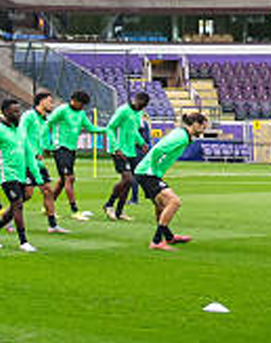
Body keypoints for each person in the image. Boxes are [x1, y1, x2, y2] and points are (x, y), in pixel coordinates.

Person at [134, 112, 208, 251]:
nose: (204, 130)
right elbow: (159, 150)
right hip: (148, 173)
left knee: (161, 206)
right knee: (174, 202)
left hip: (146, 172)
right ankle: (156, 241)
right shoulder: (181, 136)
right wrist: (154, 169)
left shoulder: (182, 134)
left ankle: (168, 237)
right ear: (196, 125)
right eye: (203, 127)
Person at [0, 99, 39, 253]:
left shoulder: (20, 129)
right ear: (5, 112)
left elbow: (28, 153)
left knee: (23, 199)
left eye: (19, 111)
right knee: (18, 204)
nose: (18, 114)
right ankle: (23, 241)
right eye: (14, 111)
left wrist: (37, 176)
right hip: (7, 175)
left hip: (21, 174)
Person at [43, 90, 107, 220]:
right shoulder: (62, 110)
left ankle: (48, 207)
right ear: (73, 100)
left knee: (62, 181)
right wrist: (46, 144)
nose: (82, 106)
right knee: (69, 178)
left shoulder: (81, 113)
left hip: (71, 149)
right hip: (60, 147)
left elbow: (90, 128)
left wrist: (107, 129)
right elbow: (47, 123)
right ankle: (74, 210)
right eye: (81, 103)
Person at [21, 92, 68, 234]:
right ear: (41, 101)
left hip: (39, 163)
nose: (51, 105)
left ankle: (53, 225)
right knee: (27, 195)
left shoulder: (44, 120)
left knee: (47, 191)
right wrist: (33, 153)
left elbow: (39, 138)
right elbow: (22, 136)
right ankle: (7, 217)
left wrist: (46, 148)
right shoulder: (28, 116)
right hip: (27, 162)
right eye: (49, 101)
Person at [102, 93, 150, 221]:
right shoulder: (123, 111)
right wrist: (116, 147)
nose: (141, 108)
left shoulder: (138, 113)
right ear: (136, 101)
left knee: (130, 182)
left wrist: (142, 143)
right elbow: (110, 128)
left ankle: (119, 211)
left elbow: (134, 131)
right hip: (119, 151)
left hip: (131, 151)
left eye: (143, 107)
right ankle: (109, 204)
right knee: (127, 179)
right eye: (140, 105)